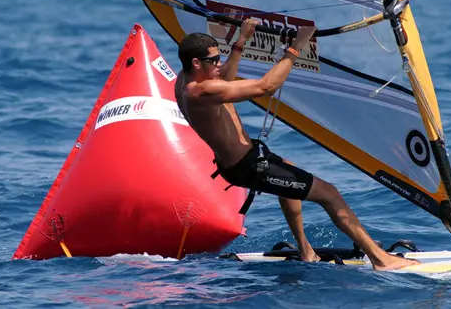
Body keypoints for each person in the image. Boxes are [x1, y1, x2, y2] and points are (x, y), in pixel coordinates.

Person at [174, 19, 419, 271]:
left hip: (242, 161)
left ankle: (306, 251)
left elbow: (223, 79)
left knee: (288, 170)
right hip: (247, 166)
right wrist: (297, 46)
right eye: (213, 60)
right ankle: (381, 259)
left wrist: (242, 40)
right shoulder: (200, 91)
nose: (218, 64)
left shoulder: (183, 81)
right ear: (196, 63)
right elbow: (266, 87)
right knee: (330, 194)